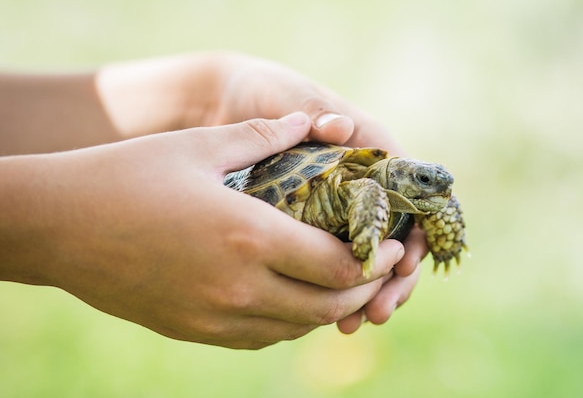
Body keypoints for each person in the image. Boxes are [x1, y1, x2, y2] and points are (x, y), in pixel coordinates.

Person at [0, 52, 426, 349]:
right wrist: (64, 223)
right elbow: (367, 190)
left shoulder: (407, 194)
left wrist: (210, 90)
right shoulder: (367, 188)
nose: (433, 191)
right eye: (422, 179)